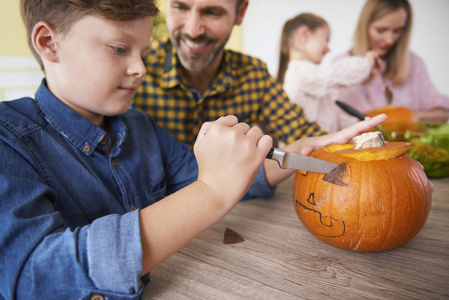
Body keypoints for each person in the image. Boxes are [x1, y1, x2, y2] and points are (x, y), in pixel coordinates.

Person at [1, 0, 387, 298]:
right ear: (49, 43)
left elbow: (230, 177)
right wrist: (210, 193)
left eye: (144, 52)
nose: (141, 68)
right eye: (120, 49)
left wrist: (309, 149)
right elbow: (33, 276)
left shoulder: (142, 128)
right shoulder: (8, 139)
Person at [132, 0, 328, 151]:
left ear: (240, 13)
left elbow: (302, 134)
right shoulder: (136, 68)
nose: (193, 30)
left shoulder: (253, 74)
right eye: (180, 7)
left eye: (212, 12)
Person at [337, 0, 449, 123]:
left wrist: (412, 116)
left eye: (397, 31)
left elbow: (442, 113)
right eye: (381, 30)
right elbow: (345, 122)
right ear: (365, 26)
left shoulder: (414, 63)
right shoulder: (342, 67)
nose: (390, 40)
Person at [277, 13, 382, 132]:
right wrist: (366, 62)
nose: (328, 48)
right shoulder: (298, 72)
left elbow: (333, 116)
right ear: (304, 34)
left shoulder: (314, 80)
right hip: (302, 149)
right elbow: (334, 74)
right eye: (326, 39)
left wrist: (360, 128)